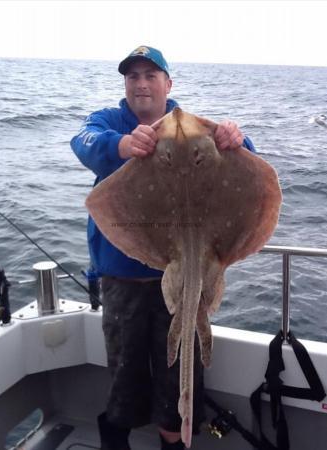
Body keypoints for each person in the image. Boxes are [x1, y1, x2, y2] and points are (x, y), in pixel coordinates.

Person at [71, 45, 256, 450]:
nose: (141, 84)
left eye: (150, 75)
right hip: (122, 278)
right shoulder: (108, 122)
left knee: (178, 389)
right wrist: (123, 146)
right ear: (125, 83)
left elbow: (248, 165)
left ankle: (177, 435)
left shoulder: (195, 127)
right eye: (133, 76)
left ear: (167, 84)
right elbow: (83, 140)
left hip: (190, 274)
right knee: (124, 381)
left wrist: (237, 139)